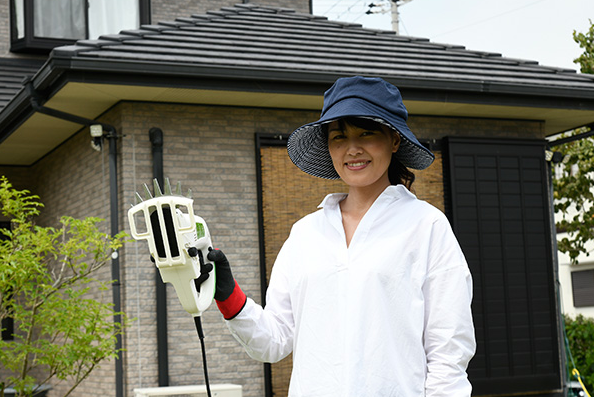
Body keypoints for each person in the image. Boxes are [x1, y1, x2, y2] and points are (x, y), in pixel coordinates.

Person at [207, 76, 476, 396]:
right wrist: (227, 294)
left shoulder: (427, 226)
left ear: (394, 140)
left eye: (366, 132)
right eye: (339, 136)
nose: (352, 148)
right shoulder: (305, 234)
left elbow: (448, 353)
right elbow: (274, 341)